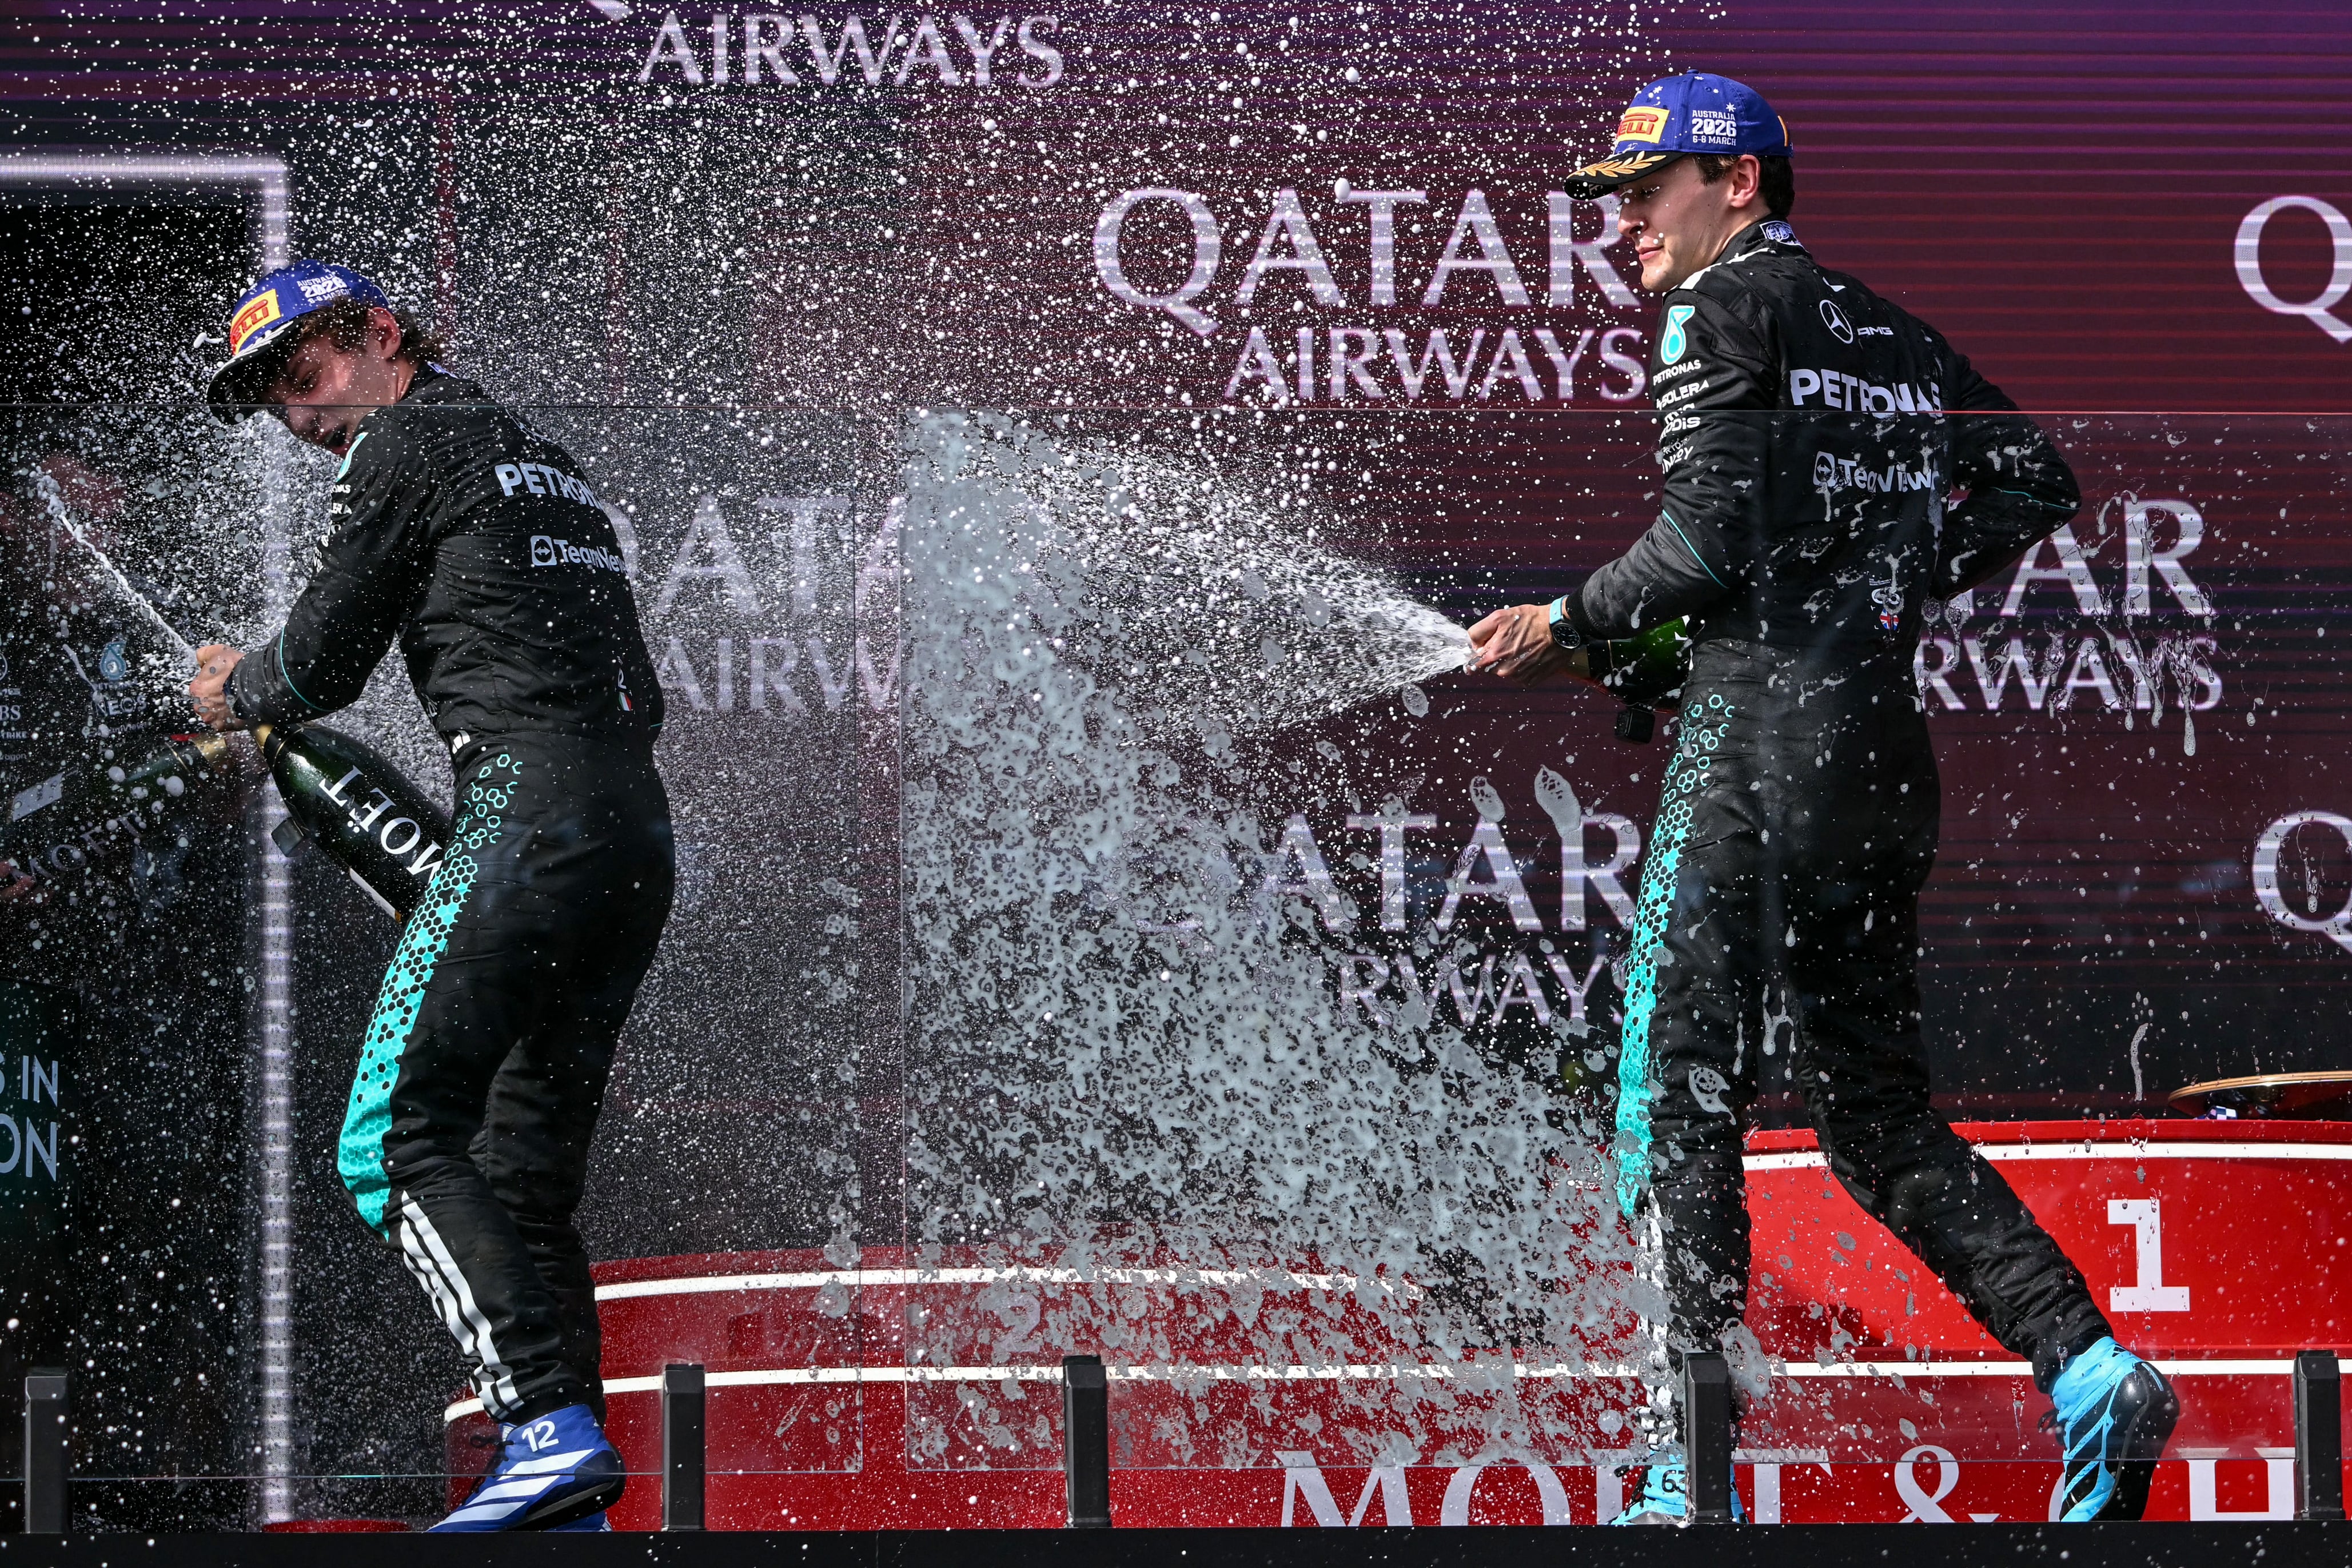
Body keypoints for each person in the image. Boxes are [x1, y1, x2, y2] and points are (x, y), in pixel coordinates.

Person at [1466, 72, 2176, 1525]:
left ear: (1738, 186)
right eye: (1610, 202)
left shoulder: (1721, 307)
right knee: (1871, 1121)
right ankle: (2088, 1364)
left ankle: (1693, 1473)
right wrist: (1870, 588)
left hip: (1746, 751)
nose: (1624, 229)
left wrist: (1568, 621)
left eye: (1644, 194)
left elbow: (1705, 539)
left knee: (1673, 1096)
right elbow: (2035, 482)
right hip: (1871, 761)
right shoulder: (1889, 335)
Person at [189, 262, 673, 1532]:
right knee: (518, 1174)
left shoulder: (406, 437)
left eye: (301, 372)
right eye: (268, 398)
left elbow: (321, 659)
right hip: (630, 832)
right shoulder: (537, 453)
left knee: (388, 1141)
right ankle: (561, 1494)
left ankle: (547, 1434)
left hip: (528, 810)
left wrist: (238, 688)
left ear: (381, 334)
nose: (298, 415)